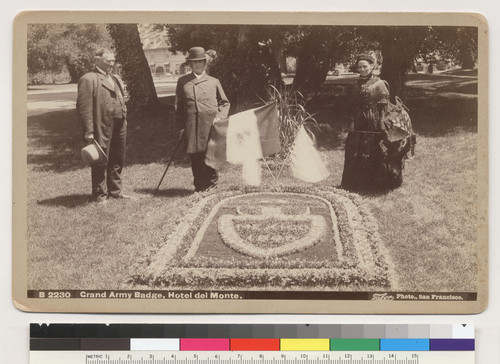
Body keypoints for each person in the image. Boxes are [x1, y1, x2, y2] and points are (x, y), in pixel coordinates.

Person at [341, 52, 412, 191]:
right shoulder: (355, 84)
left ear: (372, 66)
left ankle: (377, 185)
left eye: (364, 66)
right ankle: (356, 184)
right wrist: (351, 121)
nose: (361, 69)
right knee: (356, 151)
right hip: (359, 122)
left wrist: (381, 125)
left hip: (375, 123)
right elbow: (352, 106)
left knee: (377, 151)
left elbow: (384, 106)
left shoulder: (380, 84)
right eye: (359, 67)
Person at [76, 49, 128, 203]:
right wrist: (89, 131)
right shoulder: (88, 79)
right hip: (102, 125)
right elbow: (83, 108)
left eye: (113, 60)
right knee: (100, 159)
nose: (111, 64)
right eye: (108, 61)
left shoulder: (114, 78)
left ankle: (115, 192)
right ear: (97, 60)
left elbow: (120, 98)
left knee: (118, 158)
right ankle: (100, 195)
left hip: (120, 124)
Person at [175, 47, 230, 192]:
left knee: (211, 156)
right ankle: (199, 187)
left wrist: (220, 116)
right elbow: (179, 108)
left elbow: (225, 103)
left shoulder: (213, 81)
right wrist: (181, 128)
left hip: (210, 126)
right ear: (190, 64)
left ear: (205, 63)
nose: (198, 65)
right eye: (195, 62)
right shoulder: (183, 82)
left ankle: (212, 187)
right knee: (196, 158)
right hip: (192, 126)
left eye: (201, 62)